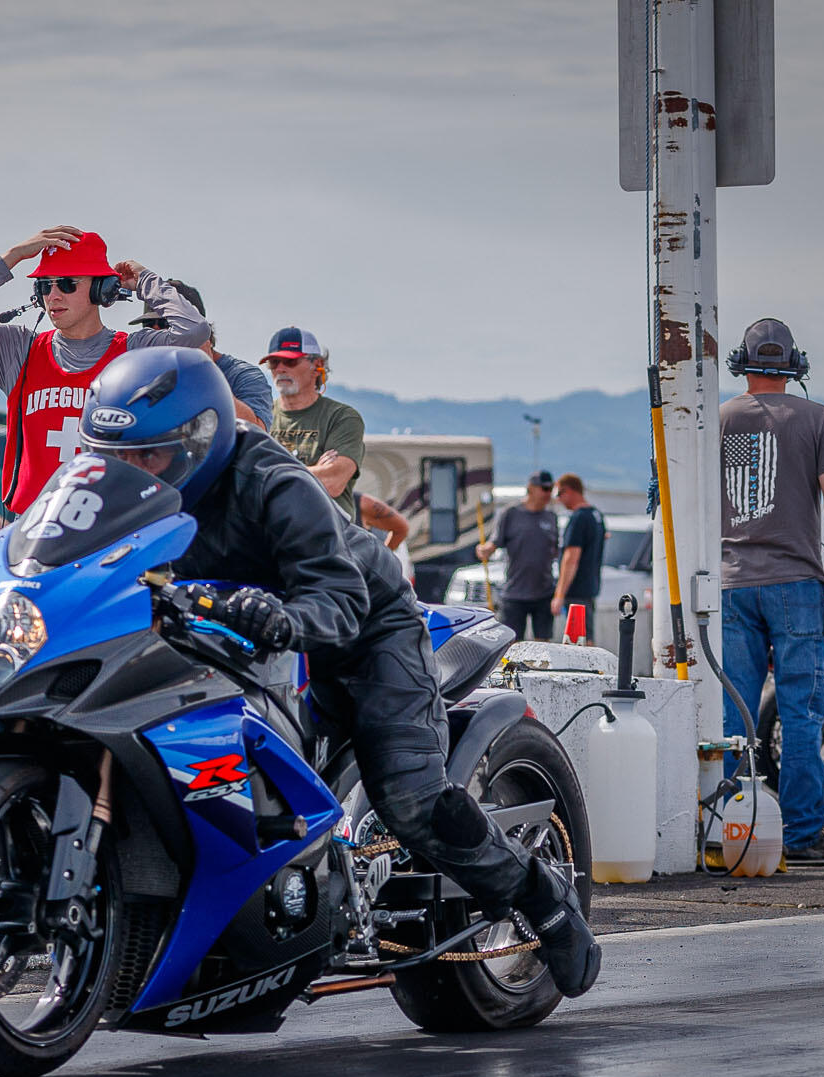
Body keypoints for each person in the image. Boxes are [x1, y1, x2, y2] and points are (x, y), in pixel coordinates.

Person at [75, 347, 599, 998]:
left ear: (198, 439)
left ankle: (539, 895)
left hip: (360, 631)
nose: (133, 470)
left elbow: (342, 595)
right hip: (234, 638)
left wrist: (281, 616)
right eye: (117, 455)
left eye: (149, 454)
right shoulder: (112, 490)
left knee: (410, 797)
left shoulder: (268, 476)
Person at [718, 317, 824, 861]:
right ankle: (803, 834)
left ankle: (727, 825)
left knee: (733, 712)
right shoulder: (818, 419)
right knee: (801, 712)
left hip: (731, 586)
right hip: (796, 586)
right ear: (794, 367)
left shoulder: (717, 420)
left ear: (743, 362)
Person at [0, 226, 208, 513]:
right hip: (30, 531)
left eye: (66, 283)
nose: (53, 295)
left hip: (106, 525)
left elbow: (194, 330)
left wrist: (145, 281)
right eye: (44, 285)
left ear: (102, 289)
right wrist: (12, 257)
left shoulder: (132, 353)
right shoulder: (19, 351)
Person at [134, 280, 277, 427]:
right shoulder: (142, 377)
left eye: (167, 325)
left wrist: (206, 372)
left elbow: (255, 431)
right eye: (149, 326)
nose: (156, 334)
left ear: (200, 331)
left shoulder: (242, 375)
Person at [262, 326, 365, 522]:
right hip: (272, 535)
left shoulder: (342, 418)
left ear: (317, 365)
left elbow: (333, 481)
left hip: (328, 537)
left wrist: (269, 473)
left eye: (290, 361)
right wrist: (312, 471)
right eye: (274, 362)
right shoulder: (261, 416)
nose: (280, 369)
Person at [479, 470, 559, 642]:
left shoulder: (551, 517)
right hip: (515, 593)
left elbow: (557, 551)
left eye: (550, 489)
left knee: (543, 646)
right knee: (512, 645)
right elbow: (495, 542)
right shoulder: (511, 514)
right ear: (531, 488)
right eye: (544, 489)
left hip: (544, 592)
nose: (548, 494)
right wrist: (484, 550)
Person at [549, 474, 604, 642]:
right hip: (589, 588)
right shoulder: (597, 515)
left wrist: (559, 595)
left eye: (559, 495)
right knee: (587, 635)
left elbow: (571, 559)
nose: (559, 501)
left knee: (578, 640)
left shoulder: (579, 518)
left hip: (577, 591)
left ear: (569, 491)